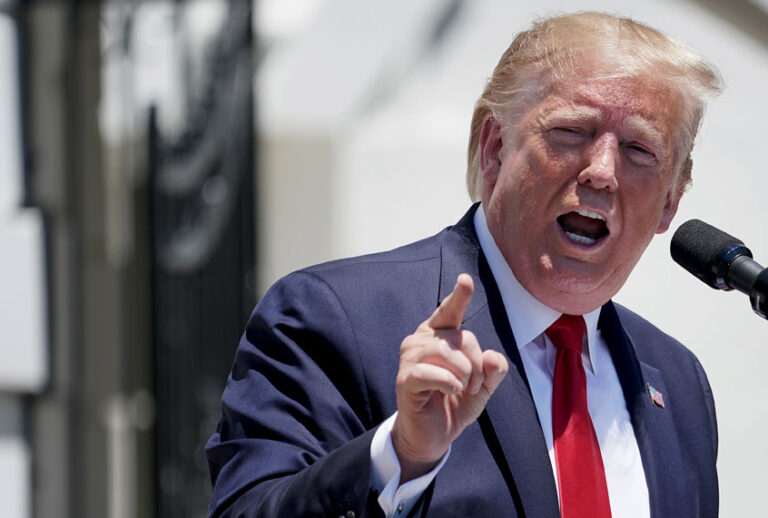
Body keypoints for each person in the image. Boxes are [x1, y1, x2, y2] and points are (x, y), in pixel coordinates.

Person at [206, 11, 722, 518]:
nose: (602, 172)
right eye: (571, 131)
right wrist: (401, 457)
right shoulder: (333, 318)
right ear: (495, 148)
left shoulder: (679, 383)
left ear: (671, 203)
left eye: (638, 149)